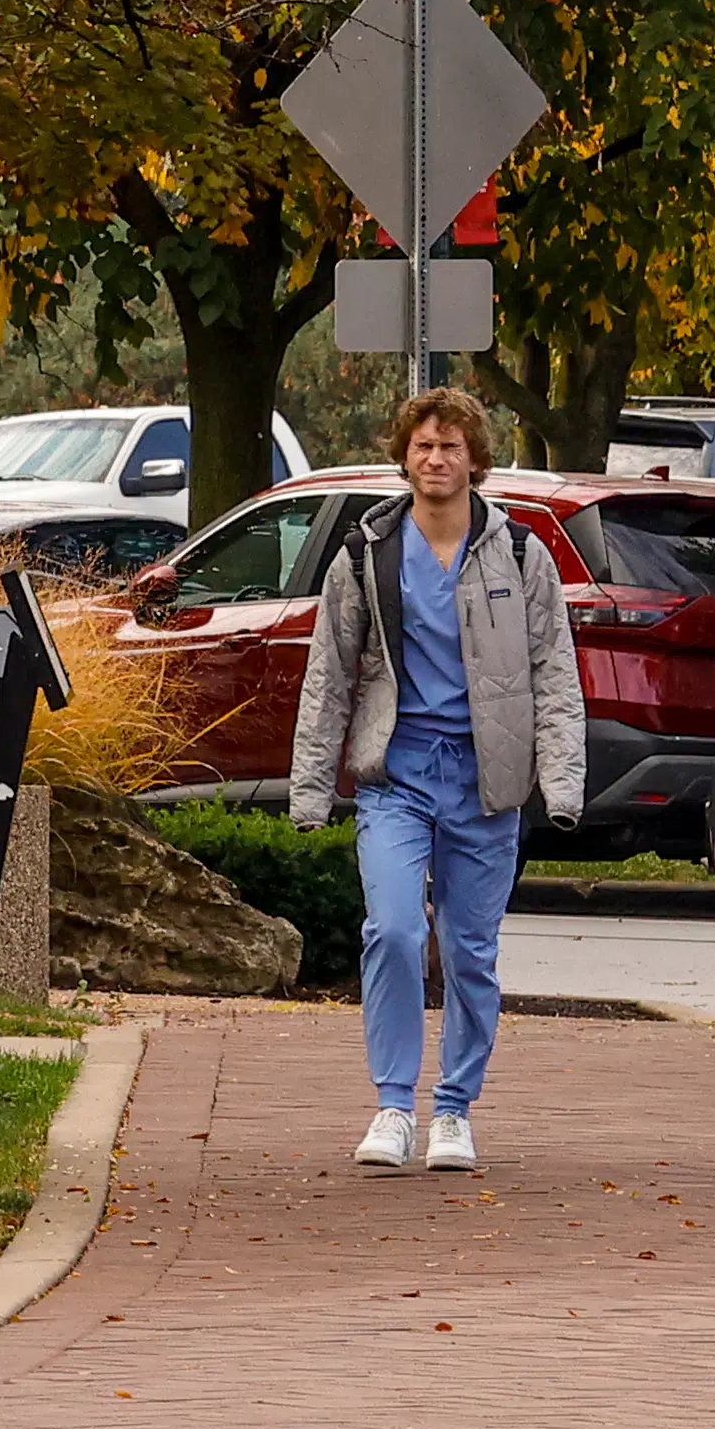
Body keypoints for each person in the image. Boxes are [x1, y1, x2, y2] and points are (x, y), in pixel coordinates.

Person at [282, 382, 582, 1172]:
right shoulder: (366, 554)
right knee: (394, 930)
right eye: (423, 445)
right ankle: (392, 1106)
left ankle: (453, 1110)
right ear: (404, 457)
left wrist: (563, 781)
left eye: (451, 445)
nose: (437, 458)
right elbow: (330, 677)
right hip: (398, 777)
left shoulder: (521, 555)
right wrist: (311, 790)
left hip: (487, 783)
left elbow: (556, 672)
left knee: (470, 950)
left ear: (475, 459)